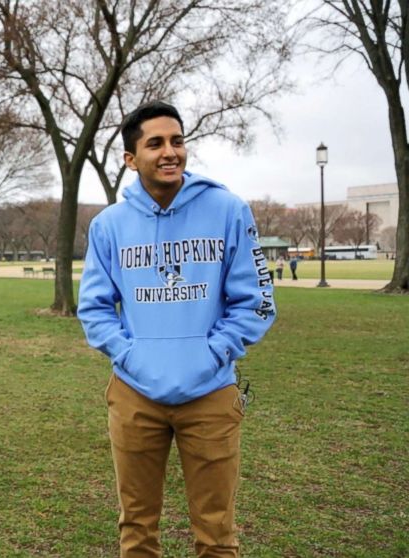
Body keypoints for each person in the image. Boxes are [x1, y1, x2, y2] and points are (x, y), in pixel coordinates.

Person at [78, 101, 276, 558]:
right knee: (137, 531)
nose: (171, 152)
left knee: (216, 534)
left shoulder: (228, 210)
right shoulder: (109, 225)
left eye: (178, 140)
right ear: (131, 159)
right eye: (156, 143)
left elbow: (258, 301)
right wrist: (129, 355)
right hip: (134, 393)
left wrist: (215, 352)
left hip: (210, 393)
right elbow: (94, 308)